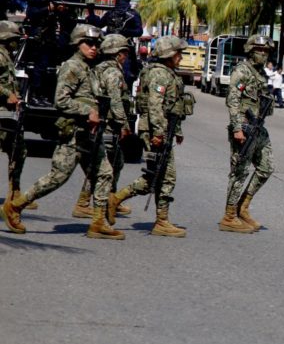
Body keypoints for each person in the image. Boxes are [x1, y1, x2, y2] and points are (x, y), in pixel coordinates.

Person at [0, 25, 123, 240]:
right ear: (77, 44)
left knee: (104, 173)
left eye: (96, 44)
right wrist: (88, 111)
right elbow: (61, 101)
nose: (94, 48)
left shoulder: (88, 67)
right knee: (58, 177)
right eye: (89, 43)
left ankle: (97, 223)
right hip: (73, 132)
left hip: (89, 133)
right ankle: (16, 206)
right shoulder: (72, 67)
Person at [108, 36, 190, 238]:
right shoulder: (160, 76)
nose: (180, 57)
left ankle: (118, 200)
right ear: (168, 55)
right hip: (156, 131)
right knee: (165, 176)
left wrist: (175, 131)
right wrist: (159, 134)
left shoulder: (164, 73)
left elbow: (171, 106)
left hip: (161, 129)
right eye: (177, 53)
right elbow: (155, 106)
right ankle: (160, 220)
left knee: (156, 175)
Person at [71, 34, 133, 221]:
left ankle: (107, 199)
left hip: (103, 122)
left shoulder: (99, 68)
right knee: (104, 164)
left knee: (113, 162)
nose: (126, 56)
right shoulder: (113, 72)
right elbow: (115, 100)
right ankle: (86, 203)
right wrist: (123, 124)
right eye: (124, 52)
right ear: (117, 54)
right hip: (107, 124)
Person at [220, 35, 275, 233]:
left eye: (266, 51)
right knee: (240, 171)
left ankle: (242, 207)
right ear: (251, 51)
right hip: (243, 128)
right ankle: (229, 215)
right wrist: (236, 128)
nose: (264, 54)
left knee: (266, 168)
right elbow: (232, 100)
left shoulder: (261, 74)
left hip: (258, 128)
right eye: (261, 50)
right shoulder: (241, 71)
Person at [0, 22, 33, 209]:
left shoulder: (7, 57)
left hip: (7, 114)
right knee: (16, 151)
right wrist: (7, 94)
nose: (16, 43)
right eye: (14, 40)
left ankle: (15, 192)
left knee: (18, 151)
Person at [89, 0, 143, 86]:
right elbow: (99, 24)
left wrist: (124, 31)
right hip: (108, 49)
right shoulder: (110, 13)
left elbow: (139, 31)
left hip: (124, 49)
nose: (118, 1)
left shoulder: (133, 14)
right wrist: (91, 12)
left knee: (128, 75)